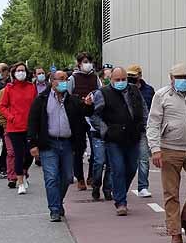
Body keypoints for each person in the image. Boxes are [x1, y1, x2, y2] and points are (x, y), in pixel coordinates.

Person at [146, 63, 186, 243]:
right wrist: (155, 149)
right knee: (171, 193)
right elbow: (153, 124)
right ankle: (175, 231)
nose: (183, 81)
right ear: (171, 78)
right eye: (179, 77)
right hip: (169, 149)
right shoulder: (161, 96)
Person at [27, 70, 92, 221]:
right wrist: (32, 143)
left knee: (68, 177)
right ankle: (54, 209)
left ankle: (58, 200)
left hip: (68, 144)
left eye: (66, 79)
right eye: (60, 79)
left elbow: (85, 114)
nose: (64, 82)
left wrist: (88, 105)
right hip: (48, 143)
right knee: (51, 177)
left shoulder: (73, 100)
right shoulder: (41, 99)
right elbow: (32, 122)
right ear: (52, 81)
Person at [91, 67, 146, 216]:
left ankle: (119, 191)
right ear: (111, 80)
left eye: (123, 79)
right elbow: (95, 115)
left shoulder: (134, 90)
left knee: (131, 168)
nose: (121, 82)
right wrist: (105, 130)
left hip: (133, 136)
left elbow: (143, 109)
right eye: (117, 80)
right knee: (118, 168)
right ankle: (121, 202)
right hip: (114, 139)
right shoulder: (103, 93)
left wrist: (144, 126)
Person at [0, 63, 37, 195]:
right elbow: (2, 106)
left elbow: (36, 105)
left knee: (29, 153)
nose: (21, 73)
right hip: (14, 127)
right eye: (18, 70)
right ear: (14, 73)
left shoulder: (32, 87)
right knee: (18, 154)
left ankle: (24, 172)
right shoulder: (9, 88)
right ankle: (20, 182)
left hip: (30, 126)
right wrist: (11, 117)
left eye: (23, 70)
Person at [71, 52, 100, 191]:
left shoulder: (96, 78)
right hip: (78, 117)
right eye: (84, 62)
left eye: (89, 61)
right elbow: (68, 97)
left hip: (93, 116)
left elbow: (100, 94)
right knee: (78, 148)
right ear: (78, 64)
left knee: (95, 148)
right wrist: (80, 101)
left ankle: (91, 176)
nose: (87, 64)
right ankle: (80, 178)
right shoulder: (73, 78)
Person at [127, 64, 155, 197]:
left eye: (133, 75)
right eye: (129, 76)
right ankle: (121, 185)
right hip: (127, 129)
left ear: (140, 76)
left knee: (143, 158)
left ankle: (143, 186)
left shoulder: (149, 90)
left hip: (143, 128)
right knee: (128, 160)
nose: (130, 78)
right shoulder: (124, 89)